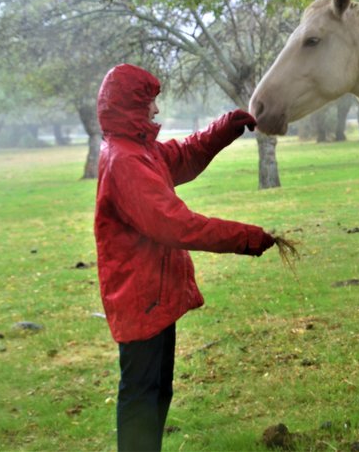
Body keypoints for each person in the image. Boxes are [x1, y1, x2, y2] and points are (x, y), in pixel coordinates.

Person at [93, 64, 275, 451]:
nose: (156, 111)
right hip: (139, 299)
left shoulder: (140, 151)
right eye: (150, 103)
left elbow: (183, 155)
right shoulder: (124, 161)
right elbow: (175, 225)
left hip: (153, 296)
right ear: (130, 105)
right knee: (142, 398)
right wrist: (245, 237)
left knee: (157, 393)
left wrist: (224, 128)